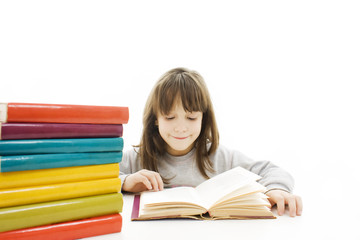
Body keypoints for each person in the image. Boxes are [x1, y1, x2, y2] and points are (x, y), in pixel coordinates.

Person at [120, 67, 302, 217]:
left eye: (191, 117)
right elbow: (94, 177)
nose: (180, 128)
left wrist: (276, 189)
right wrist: (126, 182)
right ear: (156, 119)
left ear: (203, 119)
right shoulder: (138, 159)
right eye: (170, 117)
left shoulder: (220, 157)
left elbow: (272, 170)